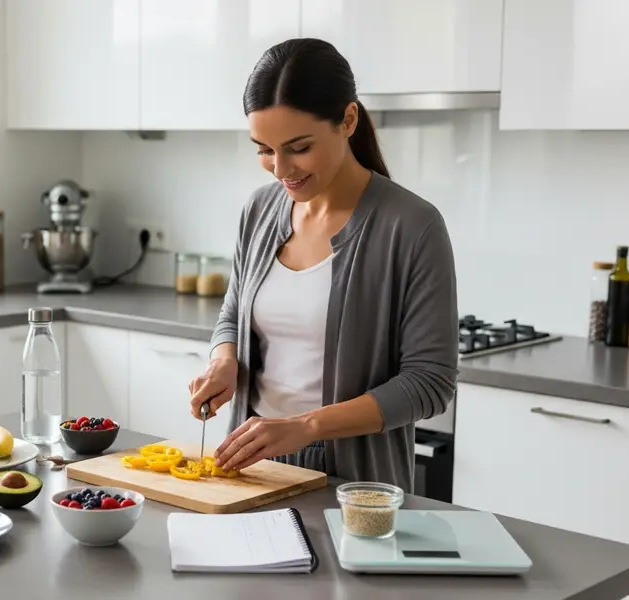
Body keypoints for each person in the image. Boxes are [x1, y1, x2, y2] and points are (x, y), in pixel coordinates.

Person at [188, 38, 458, 493]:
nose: (279, 168)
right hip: (249, 469)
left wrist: (304, 427)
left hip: (356, 487)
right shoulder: (259, 210)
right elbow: (233, 313)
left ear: (348, 120)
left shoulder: (412, 225)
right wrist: (224, 360)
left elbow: (430, 383)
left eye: (297, 147)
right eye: (264, 149)